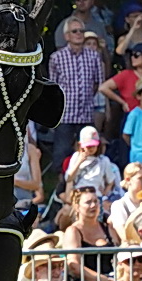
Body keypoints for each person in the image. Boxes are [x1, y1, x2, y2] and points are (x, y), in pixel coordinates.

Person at [48, 17, 106, 168]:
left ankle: (86, 181)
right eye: (75, 31)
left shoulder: (94, 56)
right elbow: (53, 87)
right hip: (65, 114)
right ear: (67, 36)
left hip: (86, 112)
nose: (79, 34)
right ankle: (60, 187)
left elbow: (98, 83)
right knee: (62, 151)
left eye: (81, 31)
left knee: (90, 151)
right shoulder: (56, 58)